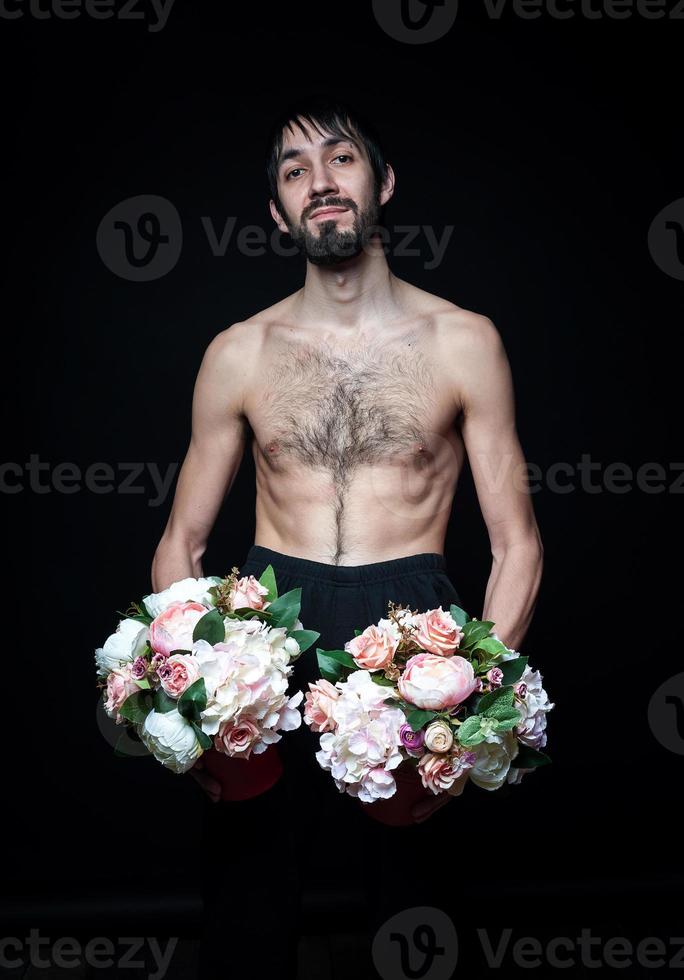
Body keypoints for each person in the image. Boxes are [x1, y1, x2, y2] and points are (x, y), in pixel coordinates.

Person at [150, 97, 543, 979]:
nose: (320, 183)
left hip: (413, 630)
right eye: (295, 172)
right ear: (277, 213)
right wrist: (187, 698)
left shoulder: (465, 342)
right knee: (247, 913)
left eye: (340, 160)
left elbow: (517, 542)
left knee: (419, 917)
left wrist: (474, 709)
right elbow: (182, 541)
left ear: (383, 182)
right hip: (263, 628)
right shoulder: (239, 352)